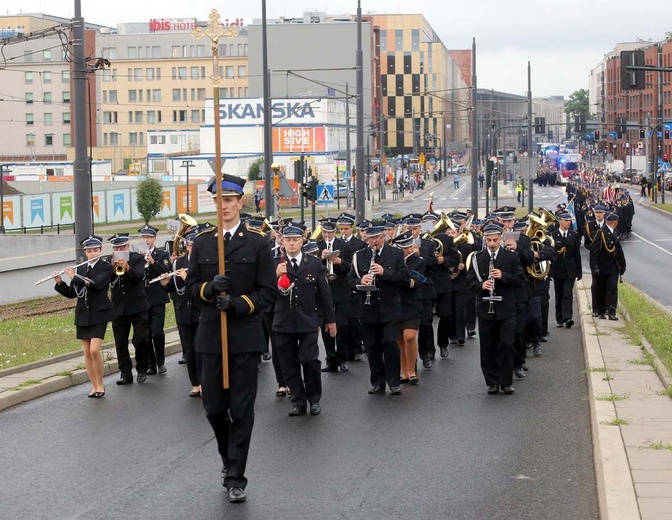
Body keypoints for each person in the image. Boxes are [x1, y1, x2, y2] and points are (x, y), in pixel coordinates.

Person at [186, 174, 277, 503]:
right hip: (210, 336)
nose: (223, 206)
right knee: (213, 409)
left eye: (229, 200)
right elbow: (191, 289)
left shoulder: (257, 242)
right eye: (218, 200)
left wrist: (238, 304)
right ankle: (228, 457)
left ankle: (236, 475)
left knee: (241, 409)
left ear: (240, 202)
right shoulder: (203, 242)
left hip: (244, 337)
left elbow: (268, 293)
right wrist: (210, 290)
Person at [274, 225, 336, 416]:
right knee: (289, 363)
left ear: (302, 241)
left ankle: (314, 399)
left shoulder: (314, 264)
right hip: (283, 321)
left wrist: (330, 320)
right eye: (287, 240)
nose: (291, 244)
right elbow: (264, 292)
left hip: (308, 319)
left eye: (295, 240)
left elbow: (325, 294)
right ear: (282, 242)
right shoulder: (275, 264)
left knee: (309, 360)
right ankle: (298, 401)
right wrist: (274, 275)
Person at [348, 221, 410, 395]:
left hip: (390, 307)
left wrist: (384, 272)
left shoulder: (396, 253)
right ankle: (377, 382)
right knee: (372, 346)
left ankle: (394, 381)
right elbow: (350, 279)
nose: (374, 241)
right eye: (370, 238)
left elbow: (404, 278)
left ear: (384, 236)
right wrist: (360, 281)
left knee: (390, 343)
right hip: (368, 308)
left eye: (377, 237)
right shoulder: (359, 256)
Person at [466, 224, 525, 394]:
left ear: (501, 238)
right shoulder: (477, 258)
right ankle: (492, 381)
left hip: (506, 307)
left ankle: (506, 382)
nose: (492, 244)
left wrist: (503, 276)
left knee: (507, 344)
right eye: (489, 240)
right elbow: (469, 282)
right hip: (485, 307)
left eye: (495, 240)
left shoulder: (511, 257)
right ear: (485, 239)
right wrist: (481, 285)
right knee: (487, 346)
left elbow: (520, 279)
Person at [54, 235, 115, 398]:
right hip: (83, 314)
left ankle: (101, 384)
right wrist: (60, 283)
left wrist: (75, 277)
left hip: (99, 313)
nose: (93, 254)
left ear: (101, 250)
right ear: (85, 252)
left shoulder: (106, 267)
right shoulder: (81, 268)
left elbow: (97, 284)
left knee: (95, 350)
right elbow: (74, 293)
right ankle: (94, 386)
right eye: (89, 251)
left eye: (96, 250)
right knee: (87, 352)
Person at [161, 231, 201, 397]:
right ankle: (195, 384)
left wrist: (187, 278)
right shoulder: (178, 263)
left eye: (195, 245)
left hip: (201, 311)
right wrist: (165, 283)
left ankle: (207, 382)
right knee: (190, 350)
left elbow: (203, 288)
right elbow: (175, 288)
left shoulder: (205, 263)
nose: (192, 248)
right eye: (190, 245)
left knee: (203, 349)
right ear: (186, 246)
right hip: (184, 311)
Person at [108, 233, 152, 385]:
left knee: (140, 339)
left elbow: (139, 276)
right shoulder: (110, 261)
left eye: (122, 247)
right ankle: (125, 373)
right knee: (120, 342)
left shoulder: (137, 258)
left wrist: (127, 268)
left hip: (138, 306)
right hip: (119, 307)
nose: (119, 250)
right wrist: (113, 271)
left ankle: (141, 369)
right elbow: (107, 281)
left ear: (127, 246)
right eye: (116, 248)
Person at [317, 218, 352, 373]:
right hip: (324, 292)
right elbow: (310, 267)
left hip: (341, 290)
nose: (327, 235)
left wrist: (338, 261)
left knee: (341, 326)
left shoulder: (344, 245)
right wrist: (321, 259)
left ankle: (342, 358)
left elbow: (352, 268)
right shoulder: (318, 247)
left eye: (330, 232)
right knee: (326, 326)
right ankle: (330, 359)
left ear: (334, 232)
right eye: (324, 232)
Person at [392, 231, 425, 384]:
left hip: (411, 303)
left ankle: (412, 370)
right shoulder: (392, 260)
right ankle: (403, 371)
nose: (409, 250)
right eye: (404, 247)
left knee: (409, 337)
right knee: (399, 339)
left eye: (410, 246)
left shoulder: (419, 261)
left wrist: (399, 276)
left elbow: (417, 281)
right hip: (395, 303)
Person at [139, 225, 171, 376]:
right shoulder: (137, 255)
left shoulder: (162, 254)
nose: (145, 240)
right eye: (143, 237)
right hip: (142, 299)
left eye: (148, 237)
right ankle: (151, 364)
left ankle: (161, 362)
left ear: (154, 239)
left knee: (157, 332)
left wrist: (152, 262)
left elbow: (166, 272)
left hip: (157, 297)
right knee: (146, 335)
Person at [590, 212, 626, 320]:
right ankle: (600, 311)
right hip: (602, 268)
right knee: (601, 289)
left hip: (613, 268)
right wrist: (594, 267)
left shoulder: (614, 232)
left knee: (612, 289)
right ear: (615, 222)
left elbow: (619, 251)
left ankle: (612, 312)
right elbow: (594, 252)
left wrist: (622, 265)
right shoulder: (601, 233)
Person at [550, 213, 582, 328]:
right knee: (559, 294)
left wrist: (579, 271)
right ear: (560, 221)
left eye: (570, 220)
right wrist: (550, 272)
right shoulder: (553, 235)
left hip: (570, 270)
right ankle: (559, 319)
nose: (568, 222)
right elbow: (551, 255)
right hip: (558, 270)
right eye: (566, 220)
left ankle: (568, 317)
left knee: (567, 293)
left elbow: (577, 255)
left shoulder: (574, 235)